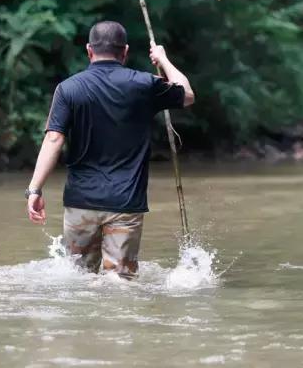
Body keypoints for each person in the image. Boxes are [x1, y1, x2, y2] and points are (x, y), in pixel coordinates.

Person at [25, 20, 195, 279]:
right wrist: (163, 58)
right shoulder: (144, 85)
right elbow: (187, 94)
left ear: (88, 50)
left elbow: (53, 140)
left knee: (77, 278)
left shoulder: (68, 89)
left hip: (81, 202)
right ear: (124, 51)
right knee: (121, 282)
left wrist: (34, 189)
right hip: (125, 203)